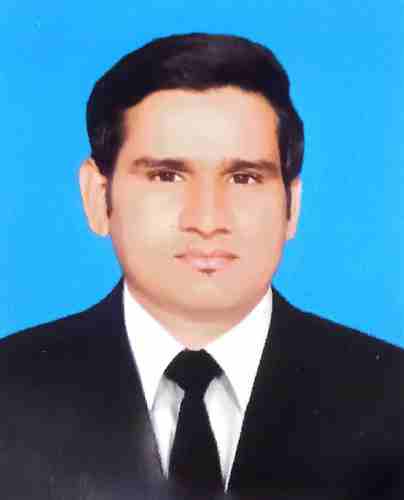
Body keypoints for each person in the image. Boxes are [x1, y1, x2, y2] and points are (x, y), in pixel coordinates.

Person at [1, 33, 404, 500]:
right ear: (97, 197)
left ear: (291, 206)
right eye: (166, 176)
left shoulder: (391, 400)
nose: (208, 220)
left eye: (244, 178)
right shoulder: (9, 394)